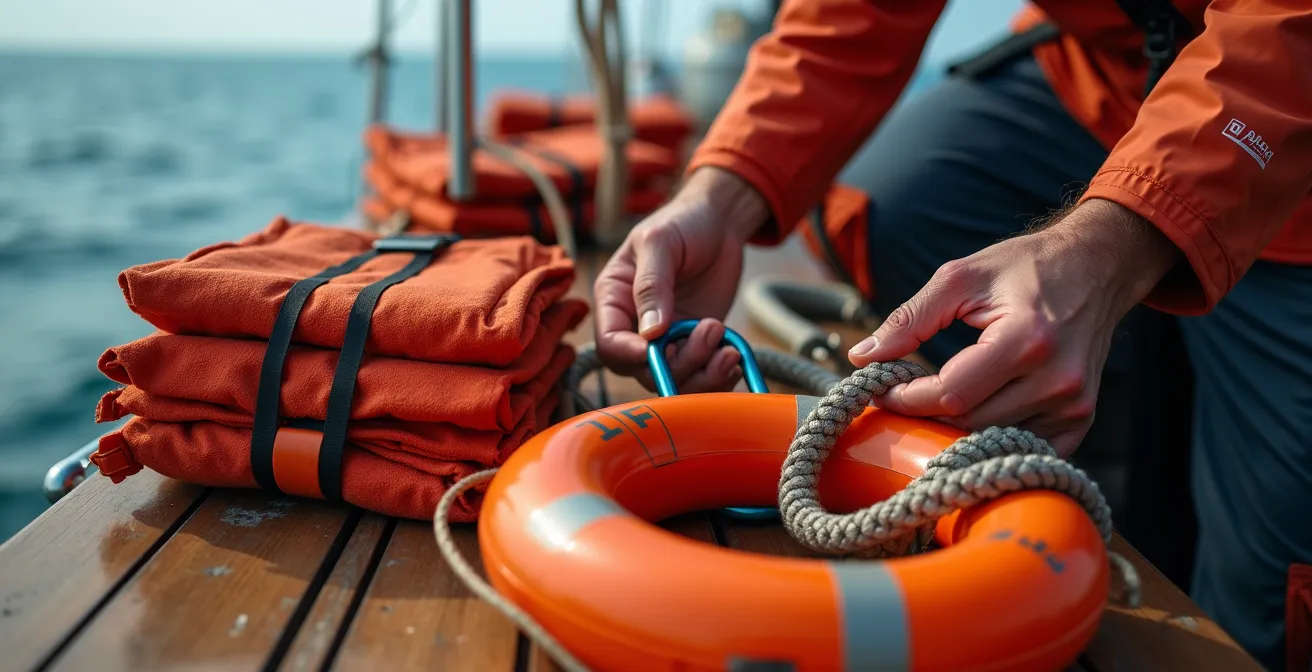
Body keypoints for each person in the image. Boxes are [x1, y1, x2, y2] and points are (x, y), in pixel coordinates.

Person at [591, 1, 1311, 669]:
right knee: (895, 202)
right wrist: (721, 195)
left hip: (1290, 146)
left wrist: (1119, 241)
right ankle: (1047, 452)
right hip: (1097, 82)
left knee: (1271, 577)